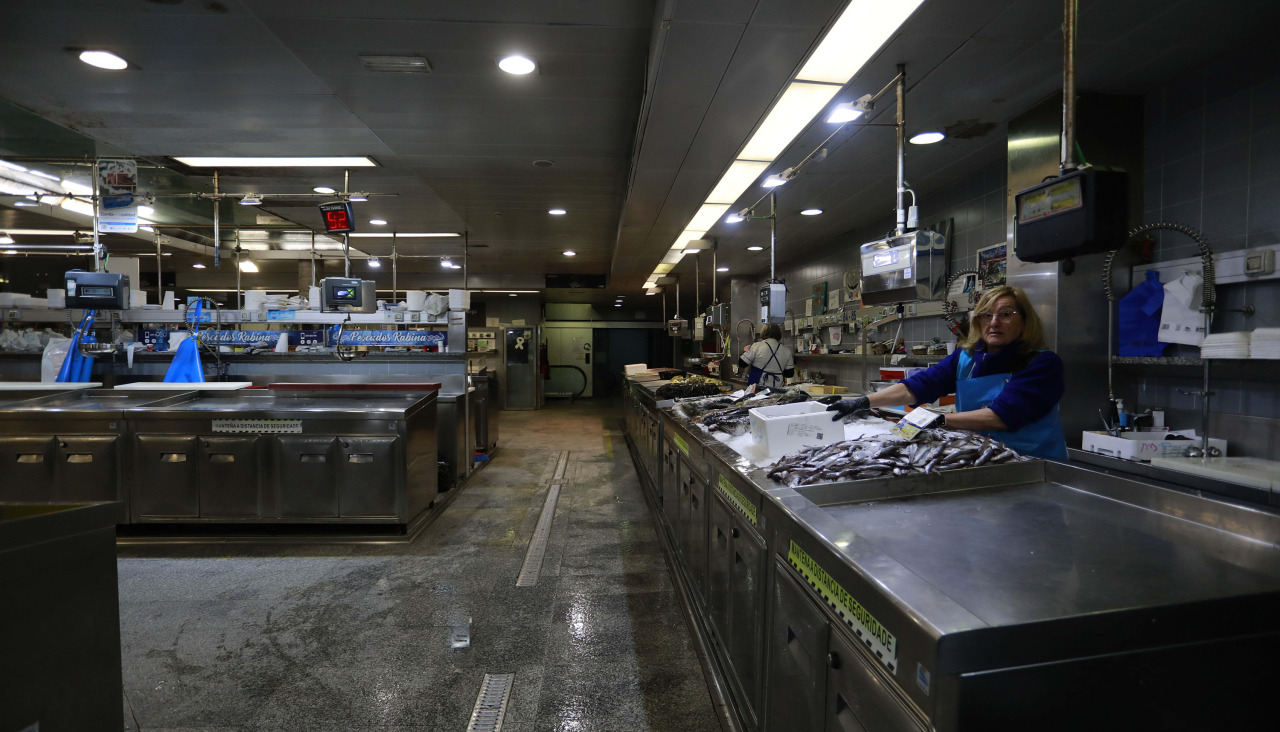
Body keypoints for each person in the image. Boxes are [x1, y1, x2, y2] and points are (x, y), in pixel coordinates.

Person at [827, 285, 1067, 460]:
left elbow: (1001, 417)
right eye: (986, 315)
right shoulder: (967, 358)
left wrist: (939, 420)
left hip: (1035, 465)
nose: (994, 322)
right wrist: (862, 401)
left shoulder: (1042, 364)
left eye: (1005, 314)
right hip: (982, 459)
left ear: (1024, 323)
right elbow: (920, 386)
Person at [740, 323, 795, 388]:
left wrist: (745, 352)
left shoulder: (757, 346)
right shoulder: (787, 351)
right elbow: (789, 374)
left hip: (757, 391)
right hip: (777, 390)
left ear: (764, 333)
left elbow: (742, 363)